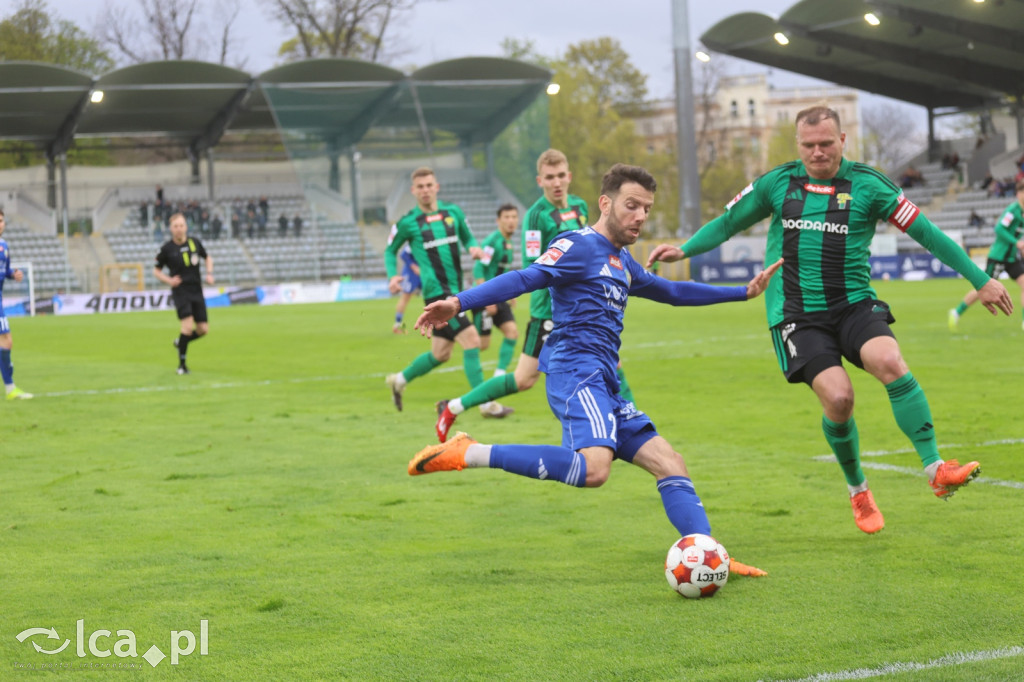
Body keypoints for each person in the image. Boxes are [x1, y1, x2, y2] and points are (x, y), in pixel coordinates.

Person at [647, 104, 1013, 535]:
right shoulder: (778, 184)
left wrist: (981, 279)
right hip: (797, 315)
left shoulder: (870, 186)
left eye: (826, 143)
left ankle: (935, 469)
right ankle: (858, 489)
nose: (817, 152)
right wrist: (684, 250)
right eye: (809, 145)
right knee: (839, 400)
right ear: (798, 144)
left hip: (853, 303)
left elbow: (928, 234)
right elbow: (728, 223)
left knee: (890, 361)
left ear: (842, 140)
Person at [410, 164, 781, 577]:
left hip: (604, 378)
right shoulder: (578, 245)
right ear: (605, 203)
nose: (640, 215)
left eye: (646, 208)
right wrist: (458, 303)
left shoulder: (622, 260)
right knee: (594, 469)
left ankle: (709, 553)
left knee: (670, 461)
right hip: (573, 370)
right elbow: (525, 277)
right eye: (631, 205)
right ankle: (469, 452)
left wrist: (741, 293)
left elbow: (672, 291)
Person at [433, 149, 634, 441]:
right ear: (540, 180)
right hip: (550, 311)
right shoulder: (536, 216)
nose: (556, 182)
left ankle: (628, 421)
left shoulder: (579, 206)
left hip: (584, 305)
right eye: (549, 177)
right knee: (524, 379)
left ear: (569, 176)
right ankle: (452, 407)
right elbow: (534, 267)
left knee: (609, 359)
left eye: (561, 176)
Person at [383, 167, 486, 411]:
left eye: (429, 185)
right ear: (413, 191)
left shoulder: (453, 213)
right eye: (420, 187)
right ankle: (485, 403)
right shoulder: (408, 223)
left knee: (441, 354)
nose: (425, 190)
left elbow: (468, 237)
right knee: (472, 341)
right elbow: (390, 250)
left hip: (458, 292)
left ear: (436, 187)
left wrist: (473, 248)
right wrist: (392, 276)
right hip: (437, 294)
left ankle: (399, 380)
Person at [436, 203, 521, 424]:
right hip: (488, 297)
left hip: (499, 297)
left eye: (514, 217)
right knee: (479, 345)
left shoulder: (509, 243)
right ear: (498, 220)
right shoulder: (493, 242)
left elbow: (500, 272)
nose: (511, 221)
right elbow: (479, 270)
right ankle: (465, 399)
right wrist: (487, 300)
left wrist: (509, 294)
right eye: (507, 217)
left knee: (512, 333)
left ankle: (498, 377)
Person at [950, 178, 1024, 331]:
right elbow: (999, 229)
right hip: (997, 257)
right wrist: (1016, 243)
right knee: (982, 289)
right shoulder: (1013, 210)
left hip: (1011, 258)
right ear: (1018, 193)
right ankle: (956, 312)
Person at [154, 212, 215, 375]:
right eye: (175, 226)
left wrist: (209, 273)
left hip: (197, 290)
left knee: (203, 329)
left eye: (181, 225)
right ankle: (182, 366)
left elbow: (208, 258)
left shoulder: (195, 243)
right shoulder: (166, 249)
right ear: (171, 229)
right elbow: (156, 271)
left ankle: (180, 342)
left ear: (186, 227)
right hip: (180, 291)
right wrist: (169, 280)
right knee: (187, 326)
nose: (179, 229)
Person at [0, 210, 33, 400]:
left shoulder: (4, 246)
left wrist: (14, 274)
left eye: (2, 220)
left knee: (5, 341)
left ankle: (10, 388)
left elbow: (5, 271)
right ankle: (10, 388)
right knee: (6, 340)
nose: (0, 224)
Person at [392, 244, 421, 334]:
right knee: (405, 298)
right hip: (411, 273)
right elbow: (403, 254)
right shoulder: (417, 237)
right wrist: (414, 267)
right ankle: (397, 325)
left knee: (432, 295)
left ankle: (437, 324)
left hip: (424, 270)